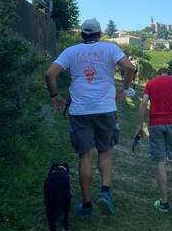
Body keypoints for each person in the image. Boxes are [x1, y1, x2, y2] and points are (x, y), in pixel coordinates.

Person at [45, 18, 136, 217]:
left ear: (82, 35)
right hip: (105, 108)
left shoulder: (71, 51)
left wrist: (54, 96)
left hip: (80, 110)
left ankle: (86, 205)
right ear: (100, 34)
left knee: (85, 154)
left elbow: (49, 74)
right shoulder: (110, 49)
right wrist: (125, 88)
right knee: (105, 150)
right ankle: (105, 192)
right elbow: (130, 67)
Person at [136, 67, 172, 213]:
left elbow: (144, 103)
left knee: (160, 161)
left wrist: (140, 125)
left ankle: (163, 202)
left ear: (159, 74)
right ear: (170, 74)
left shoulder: (151, 83)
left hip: (155, 124)